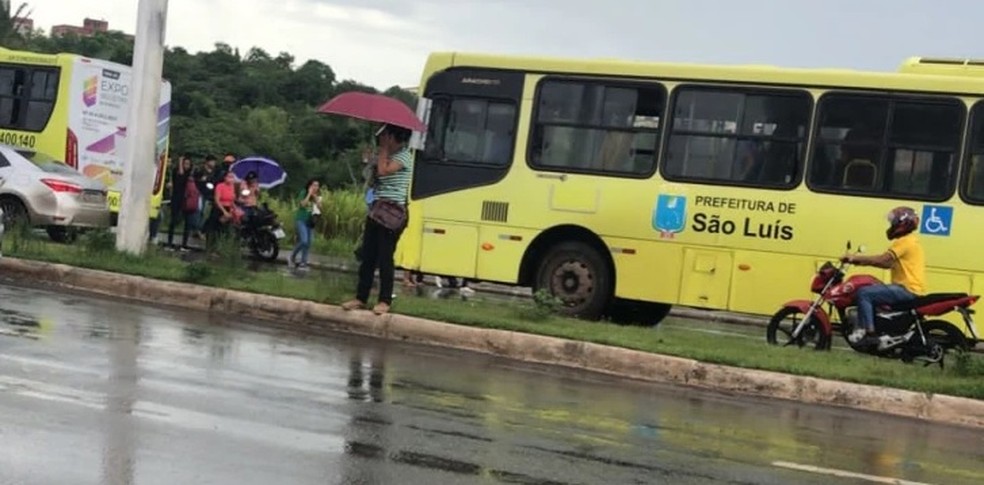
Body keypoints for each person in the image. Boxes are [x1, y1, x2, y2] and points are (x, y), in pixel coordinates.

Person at [342, 124, 414, 315]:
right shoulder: (387, 156)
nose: (381, 138)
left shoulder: (404, 156)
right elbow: (375, 176)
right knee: (368, 256)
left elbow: (384, 171)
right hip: (378, 208)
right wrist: (370, 162)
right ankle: (361, 297)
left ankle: (384, 300)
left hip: (393, 213)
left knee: (385, 257)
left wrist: (382, 151)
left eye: (384, 136)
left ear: (392, 137)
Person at [840, 206, 926, 348]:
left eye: (894, 222)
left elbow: (883, 260)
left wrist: (854, 258)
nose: (892, 226)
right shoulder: (911, 240)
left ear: (903, 223)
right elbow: (887, 264)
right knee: (871, 290)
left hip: (906, 289)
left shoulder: (904, 242)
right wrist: (860, 262)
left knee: (864, 293)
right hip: (911, 289)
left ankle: (869, 333)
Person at [290, 178, 320, 269]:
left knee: (309, 242)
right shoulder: (304, 192)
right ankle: (293, 255)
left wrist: (315, 198)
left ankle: (304, 262)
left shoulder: (316, 195)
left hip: (310, 221)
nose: (316, 187)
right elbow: (302, 204)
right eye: (314, 185)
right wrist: (309, 194)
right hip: (301, 219)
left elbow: (320, 206)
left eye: (317, 186)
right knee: (304, 241)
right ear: (310, 185)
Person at [205, 170, 239, 250]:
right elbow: (217, 200)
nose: (231, 179)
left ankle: (222, 247)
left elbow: (231, 200)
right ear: (225, 177)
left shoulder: (232, 187)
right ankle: (210, 247)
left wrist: (235, 209)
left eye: (232, 177)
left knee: (225, 230)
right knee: (214, 229)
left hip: (228, 208)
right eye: (229, 177)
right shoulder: (220, 186)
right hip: (219, 208)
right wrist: (224, 211)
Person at [165, 155, 193, 249]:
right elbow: (180, 175)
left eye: (188, 164)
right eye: (185, 164)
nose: (186, 166)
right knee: (173, 221)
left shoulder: (189, 174)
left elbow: (184, 176)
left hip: (186, 200)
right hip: (176, 199)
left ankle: (184, 244)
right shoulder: (176, 172)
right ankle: (169, 242)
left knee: (187, 223)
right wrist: (180, 162)